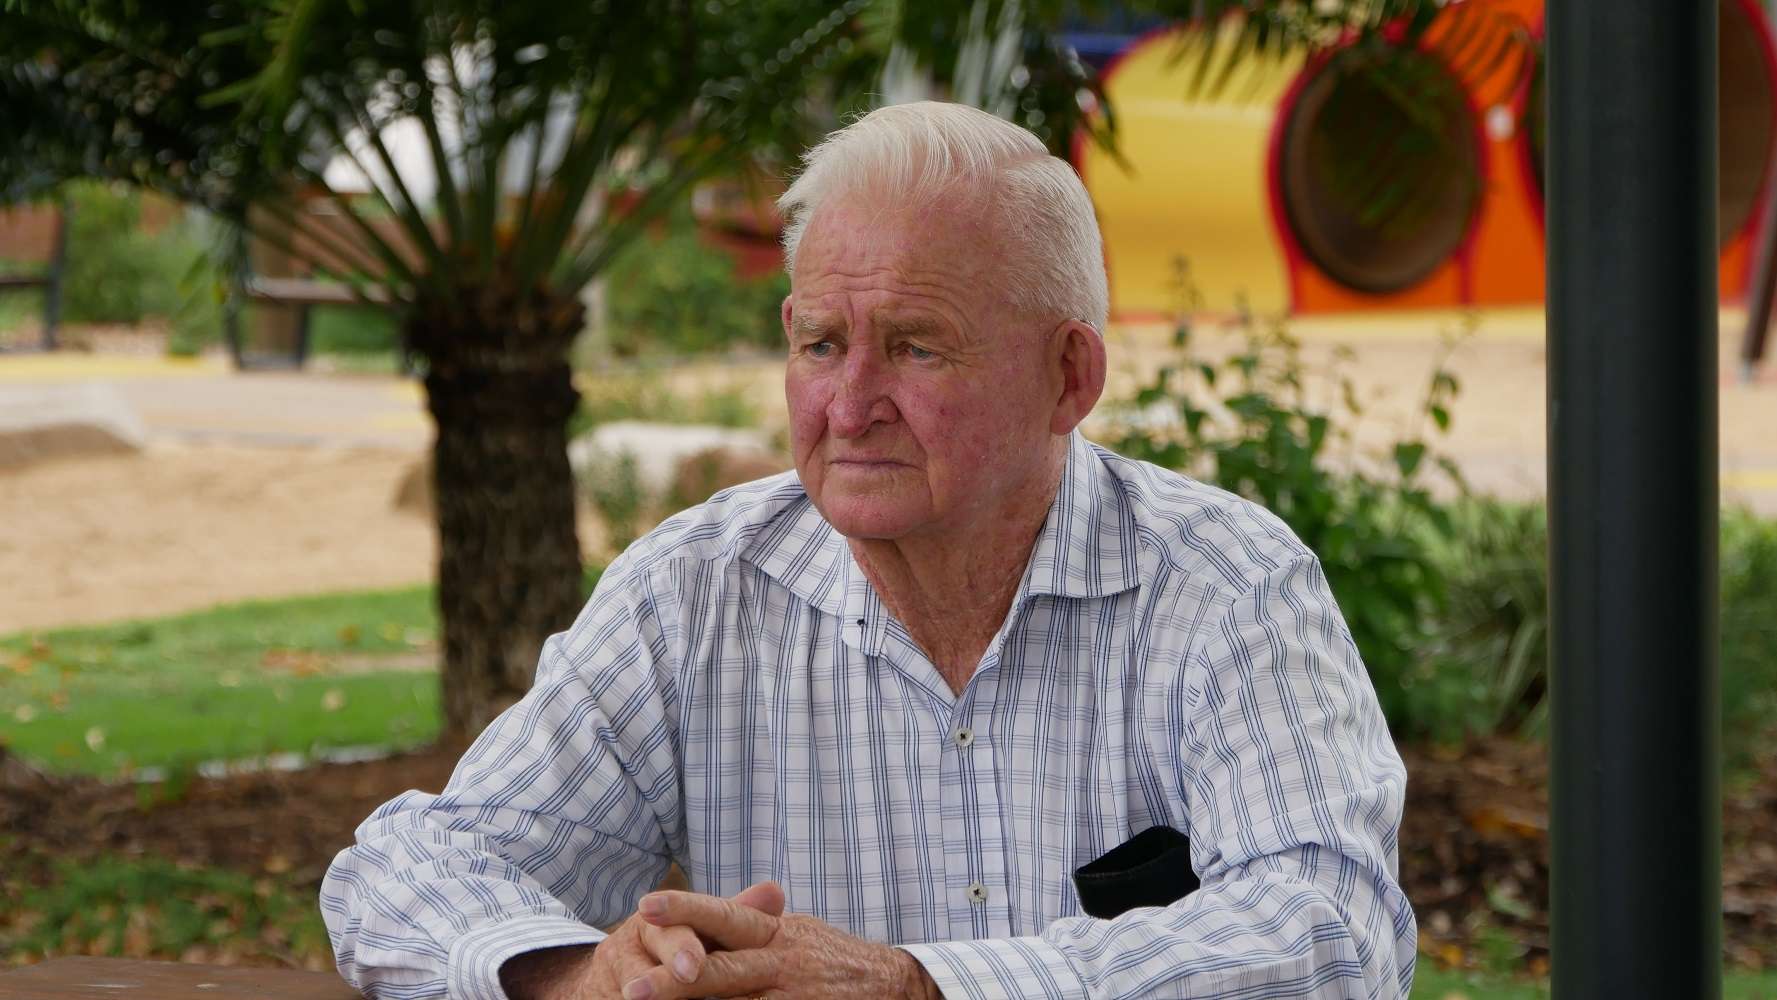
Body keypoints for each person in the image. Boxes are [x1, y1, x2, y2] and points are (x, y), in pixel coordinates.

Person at [321, 100, 1416, 1000]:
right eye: (820, 344)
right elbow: (403, 870)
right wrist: (574, 973)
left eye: (915, 346)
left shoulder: (1224, 587)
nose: (848, 405)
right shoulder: (695, 591)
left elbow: (1332, 932)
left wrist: (924, 986)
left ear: (1069, 379)